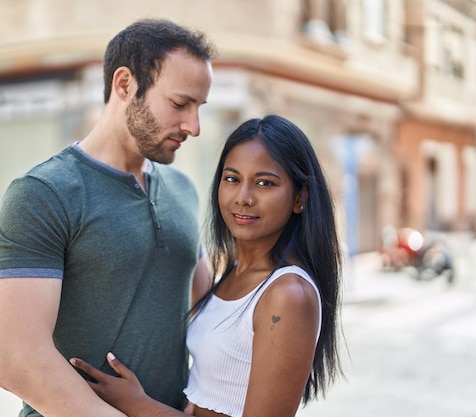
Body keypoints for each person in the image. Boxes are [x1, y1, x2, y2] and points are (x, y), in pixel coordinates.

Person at [0, 18, 216, 417]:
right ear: (124, 84)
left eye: (199, 108)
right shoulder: (43, 194)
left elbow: (209, 313)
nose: (193, 127)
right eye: (180, 104)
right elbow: (19, 363)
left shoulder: (183, 189)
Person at [71, 114, 345, 417]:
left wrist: (138, 405)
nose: (243, 198)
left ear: (299, 197)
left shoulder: (289, 295)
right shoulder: (234, 274)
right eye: (232, 179)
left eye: (264, 183)